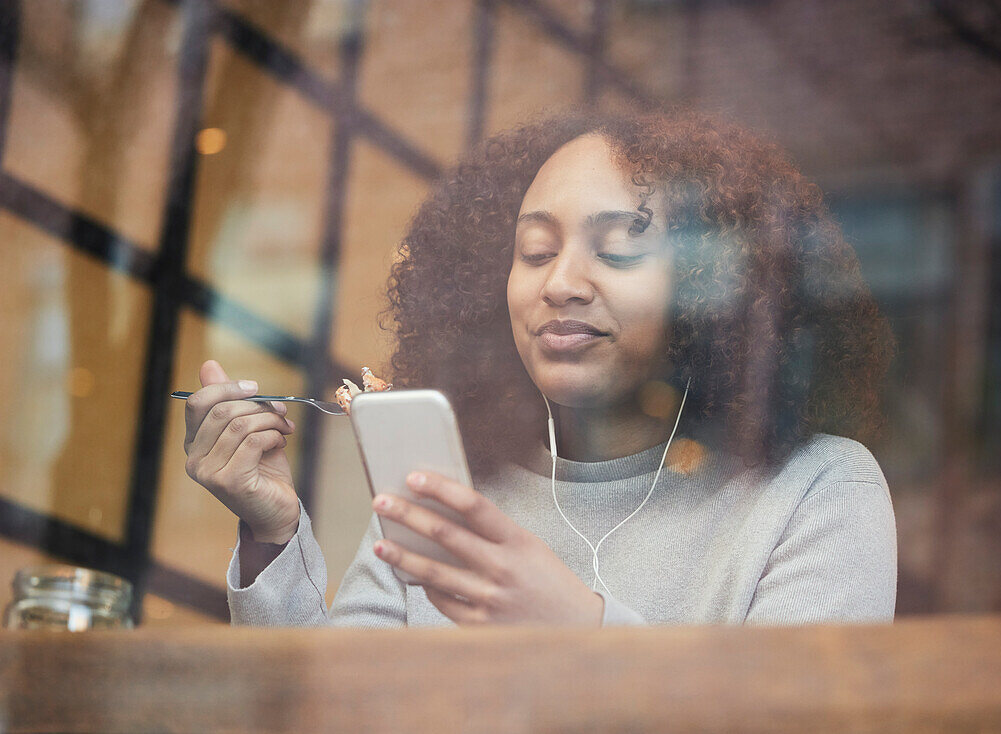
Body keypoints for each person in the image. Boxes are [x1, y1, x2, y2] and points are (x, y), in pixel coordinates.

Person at [183, 108, 897, 627]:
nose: (561, 282)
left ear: (711, 289)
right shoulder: (449, 497)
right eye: (535, 251)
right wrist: (272, 539)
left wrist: (580, 634)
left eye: (617, 247)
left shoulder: (816, 492)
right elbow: (340, 714)